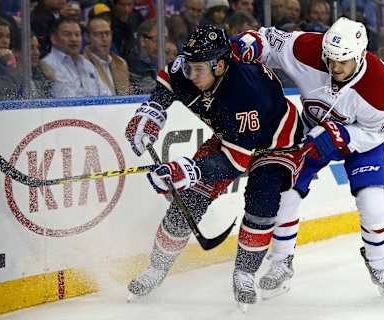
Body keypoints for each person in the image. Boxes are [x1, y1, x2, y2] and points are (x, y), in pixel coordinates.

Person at [124, 25, 305, 308]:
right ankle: (156, 268)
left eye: (199, 70)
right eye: (189, 67)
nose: (191, 76)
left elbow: (236, 162)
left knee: (262, 199)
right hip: (231, 137)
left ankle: (245, 273)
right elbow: (167, 81)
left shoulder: (246, 92)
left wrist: (190, 169)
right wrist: (153, 110)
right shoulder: (191, 66)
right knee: (191, 199)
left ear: (220, 65)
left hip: (277, 143)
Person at [231, 17, 384, 300]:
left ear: (360, 55)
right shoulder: (309, 49)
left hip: (362, 141)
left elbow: (378, 131)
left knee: (375, 202)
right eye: (330, 59)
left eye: (343, 62)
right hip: (310, 133)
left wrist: (343, 136)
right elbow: (270, 42)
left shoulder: (378, 86)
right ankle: (280, 262)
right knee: (285, 193)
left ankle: (379, 261)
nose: (334, 67)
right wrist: (252, 43)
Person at [42, 18, 110, 98]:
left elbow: (106, 95)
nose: (74, 39)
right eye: (67, 35)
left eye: (77, 35)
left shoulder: (87, 65)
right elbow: (63, 100)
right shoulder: (47, 65)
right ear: (53, 39)